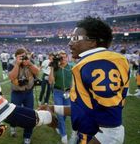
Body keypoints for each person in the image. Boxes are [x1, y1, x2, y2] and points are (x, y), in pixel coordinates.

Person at [40, 16, 130, 144]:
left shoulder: (96, 63)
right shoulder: (96, 61)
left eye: (75, 38)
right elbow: (86, 109)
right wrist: (53, 108)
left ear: (92, 42)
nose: (70, 43)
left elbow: (112, 133)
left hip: (92, 138)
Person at [8, 48, 40, 144]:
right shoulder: (12, 63)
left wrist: (29, 63)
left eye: (24, 55)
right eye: (20, 56)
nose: (23, 58)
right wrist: (17, 64)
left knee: (30, 114)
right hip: (17, 92)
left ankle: (27, 136)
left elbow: (37, 72)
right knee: (13, 113)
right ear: (16, 57)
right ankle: (13, 126)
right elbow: (11, 77)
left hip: (28, 92)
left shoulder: (30, 62)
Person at [48, 50, 73, 144]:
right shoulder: (56, 68)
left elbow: (72, 80)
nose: (63, 58)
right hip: (57, 91)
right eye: (60, 57)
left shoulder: (71, 67)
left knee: (66, 112)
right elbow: (50, 82)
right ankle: (64, 134)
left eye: (64, 56)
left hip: (67, 92)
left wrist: (71, 89)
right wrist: (52, 68)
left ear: (67, 57)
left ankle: (58, 125)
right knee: (59, 112)